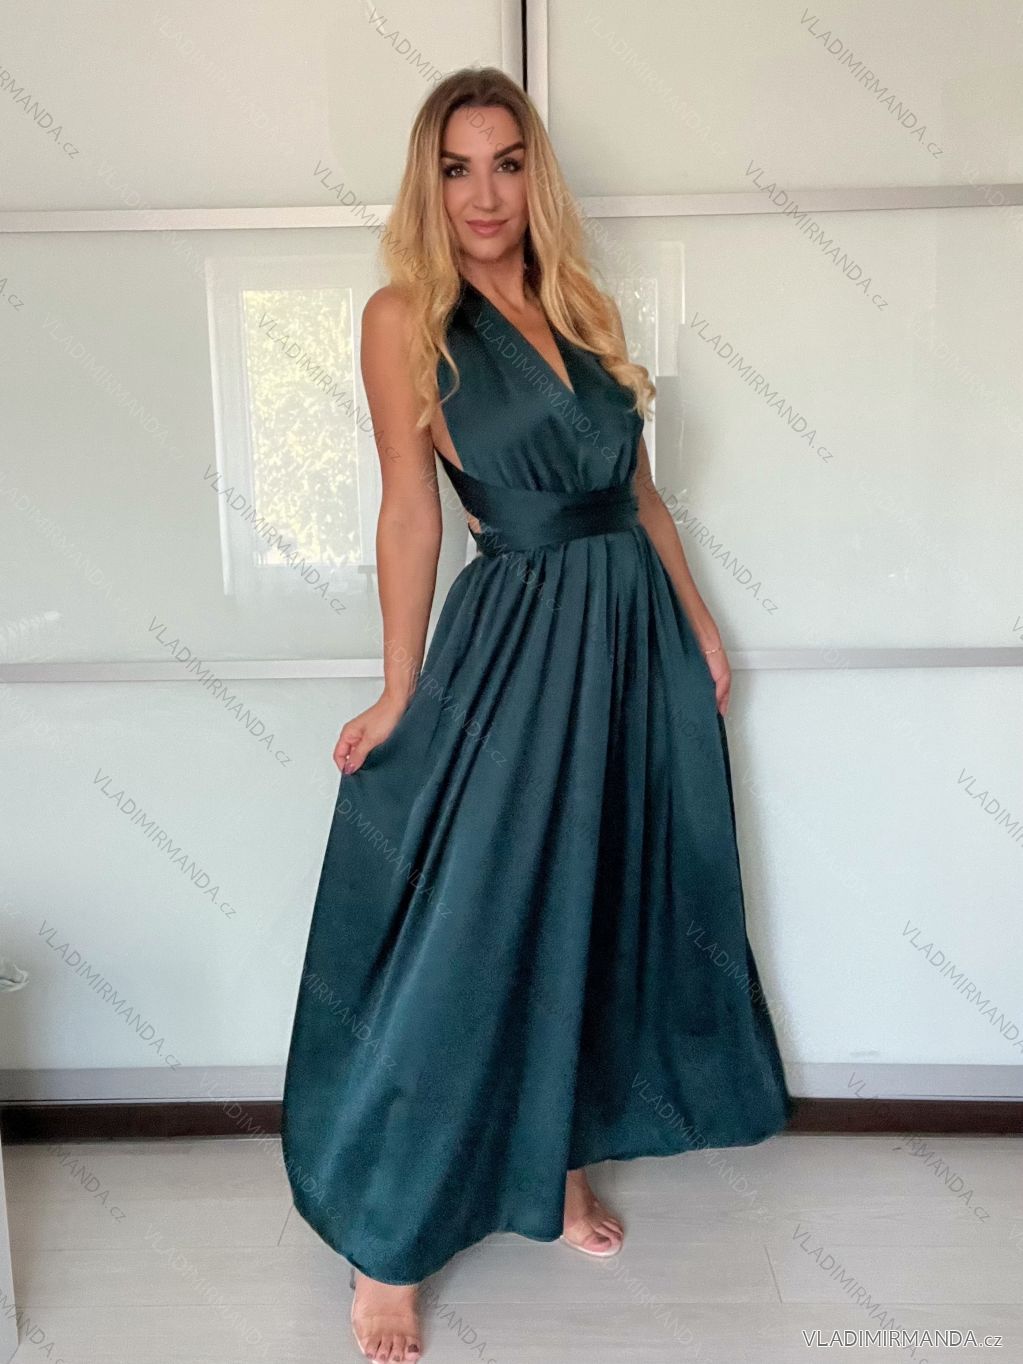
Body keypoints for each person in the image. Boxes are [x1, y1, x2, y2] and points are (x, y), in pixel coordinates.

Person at [281, 65, 793, 1363]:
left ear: (534, 175)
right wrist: (400, 687)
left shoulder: (580, 303)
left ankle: (556, 1165)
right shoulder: (407, 316)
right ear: (429, 183)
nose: (485, 193)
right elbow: (411, 510)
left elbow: (642, 494)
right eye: (458, 168)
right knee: (474, 929)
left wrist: (698, 621)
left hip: (633, 642)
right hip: (519, 641)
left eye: (507, 163)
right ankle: (387, 1239)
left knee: (602, 902)